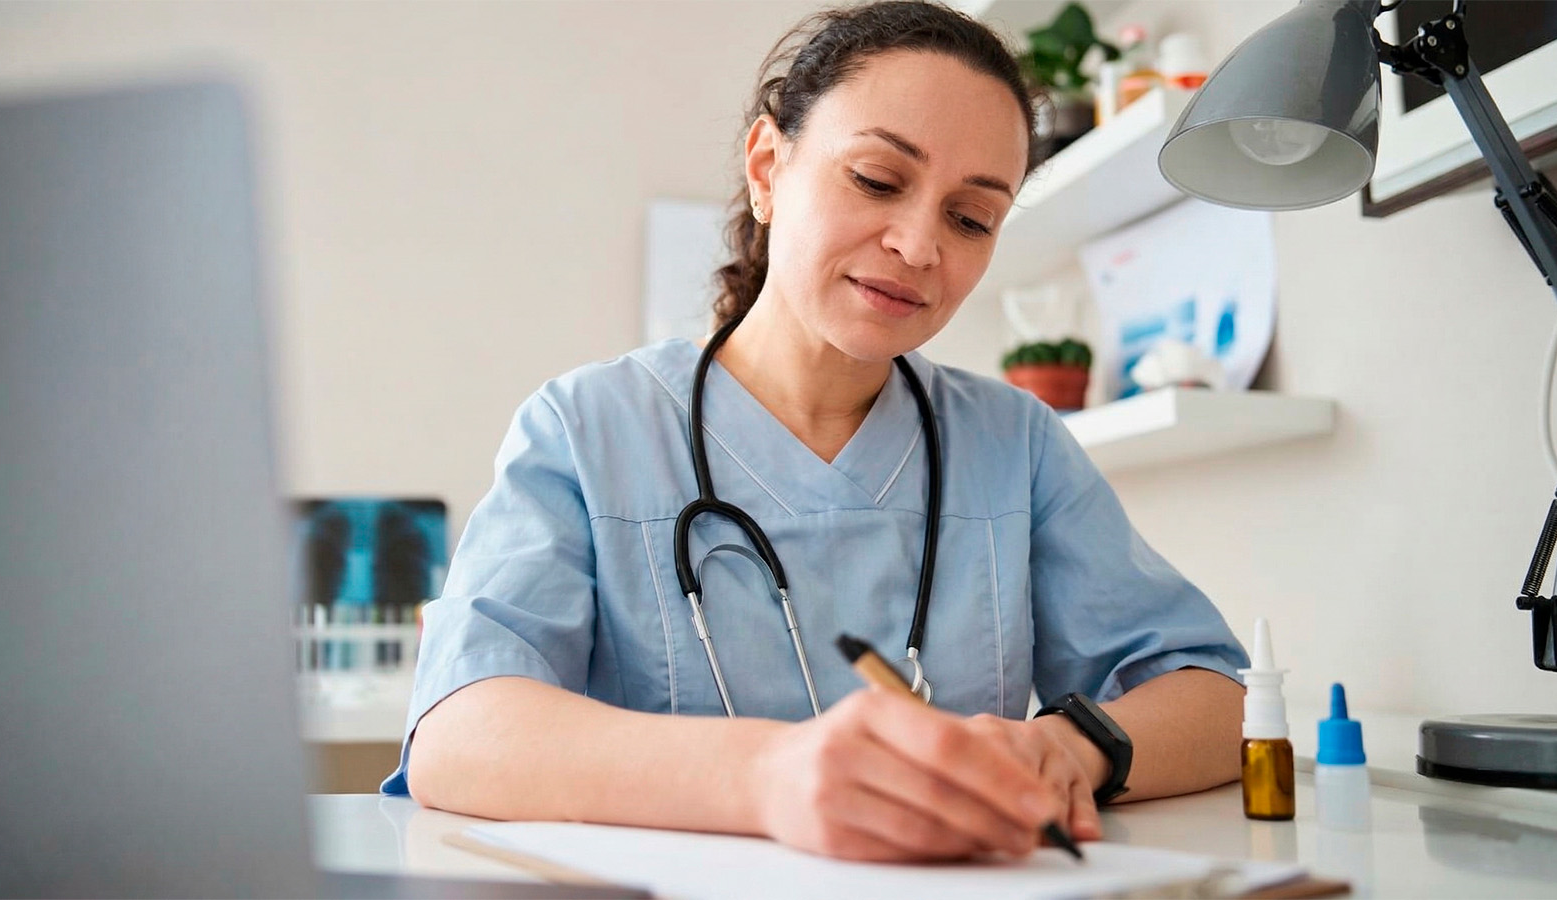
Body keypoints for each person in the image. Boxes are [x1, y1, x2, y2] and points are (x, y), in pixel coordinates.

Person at [385, 0, 1248, 863]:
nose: (919, 245)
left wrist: (1070, 747)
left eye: (971, 218)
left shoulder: (1012, 443)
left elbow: (1221, 699)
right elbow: (461, 735)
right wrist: (767, 776)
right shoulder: (588, 429)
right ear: (768, 167)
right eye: (876, 179)